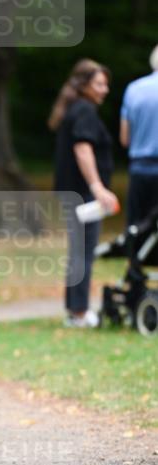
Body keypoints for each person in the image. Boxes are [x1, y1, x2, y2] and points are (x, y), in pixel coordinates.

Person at [49, 58, 119, 328]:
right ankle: (78, 313)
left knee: (79, 251)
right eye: (99, 84)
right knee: (83, 252)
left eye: (106, 85)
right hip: (82, 195)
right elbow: (83, 149)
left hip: (74, 194)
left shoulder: (76, 109)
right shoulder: (84, 112)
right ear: (84, 84)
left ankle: (75, 310)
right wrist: (97, 187)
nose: (105, 90)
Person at [119, 44, 158, 227]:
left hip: (140, 168)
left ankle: (134, 256)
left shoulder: (133, 89)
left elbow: (125, 139)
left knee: (136, 227)